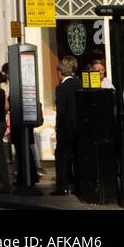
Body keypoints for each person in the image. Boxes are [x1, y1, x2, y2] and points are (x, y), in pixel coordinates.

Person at [52, 56, 79, 196]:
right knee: (77, 157)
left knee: (62, 157)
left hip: (66, 128)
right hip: (79, 128)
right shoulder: (78, 84)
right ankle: (77, 185)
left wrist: (58, 126)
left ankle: (62, 187)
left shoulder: (61, 87)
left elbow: (61, 110)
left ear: (59, 73)